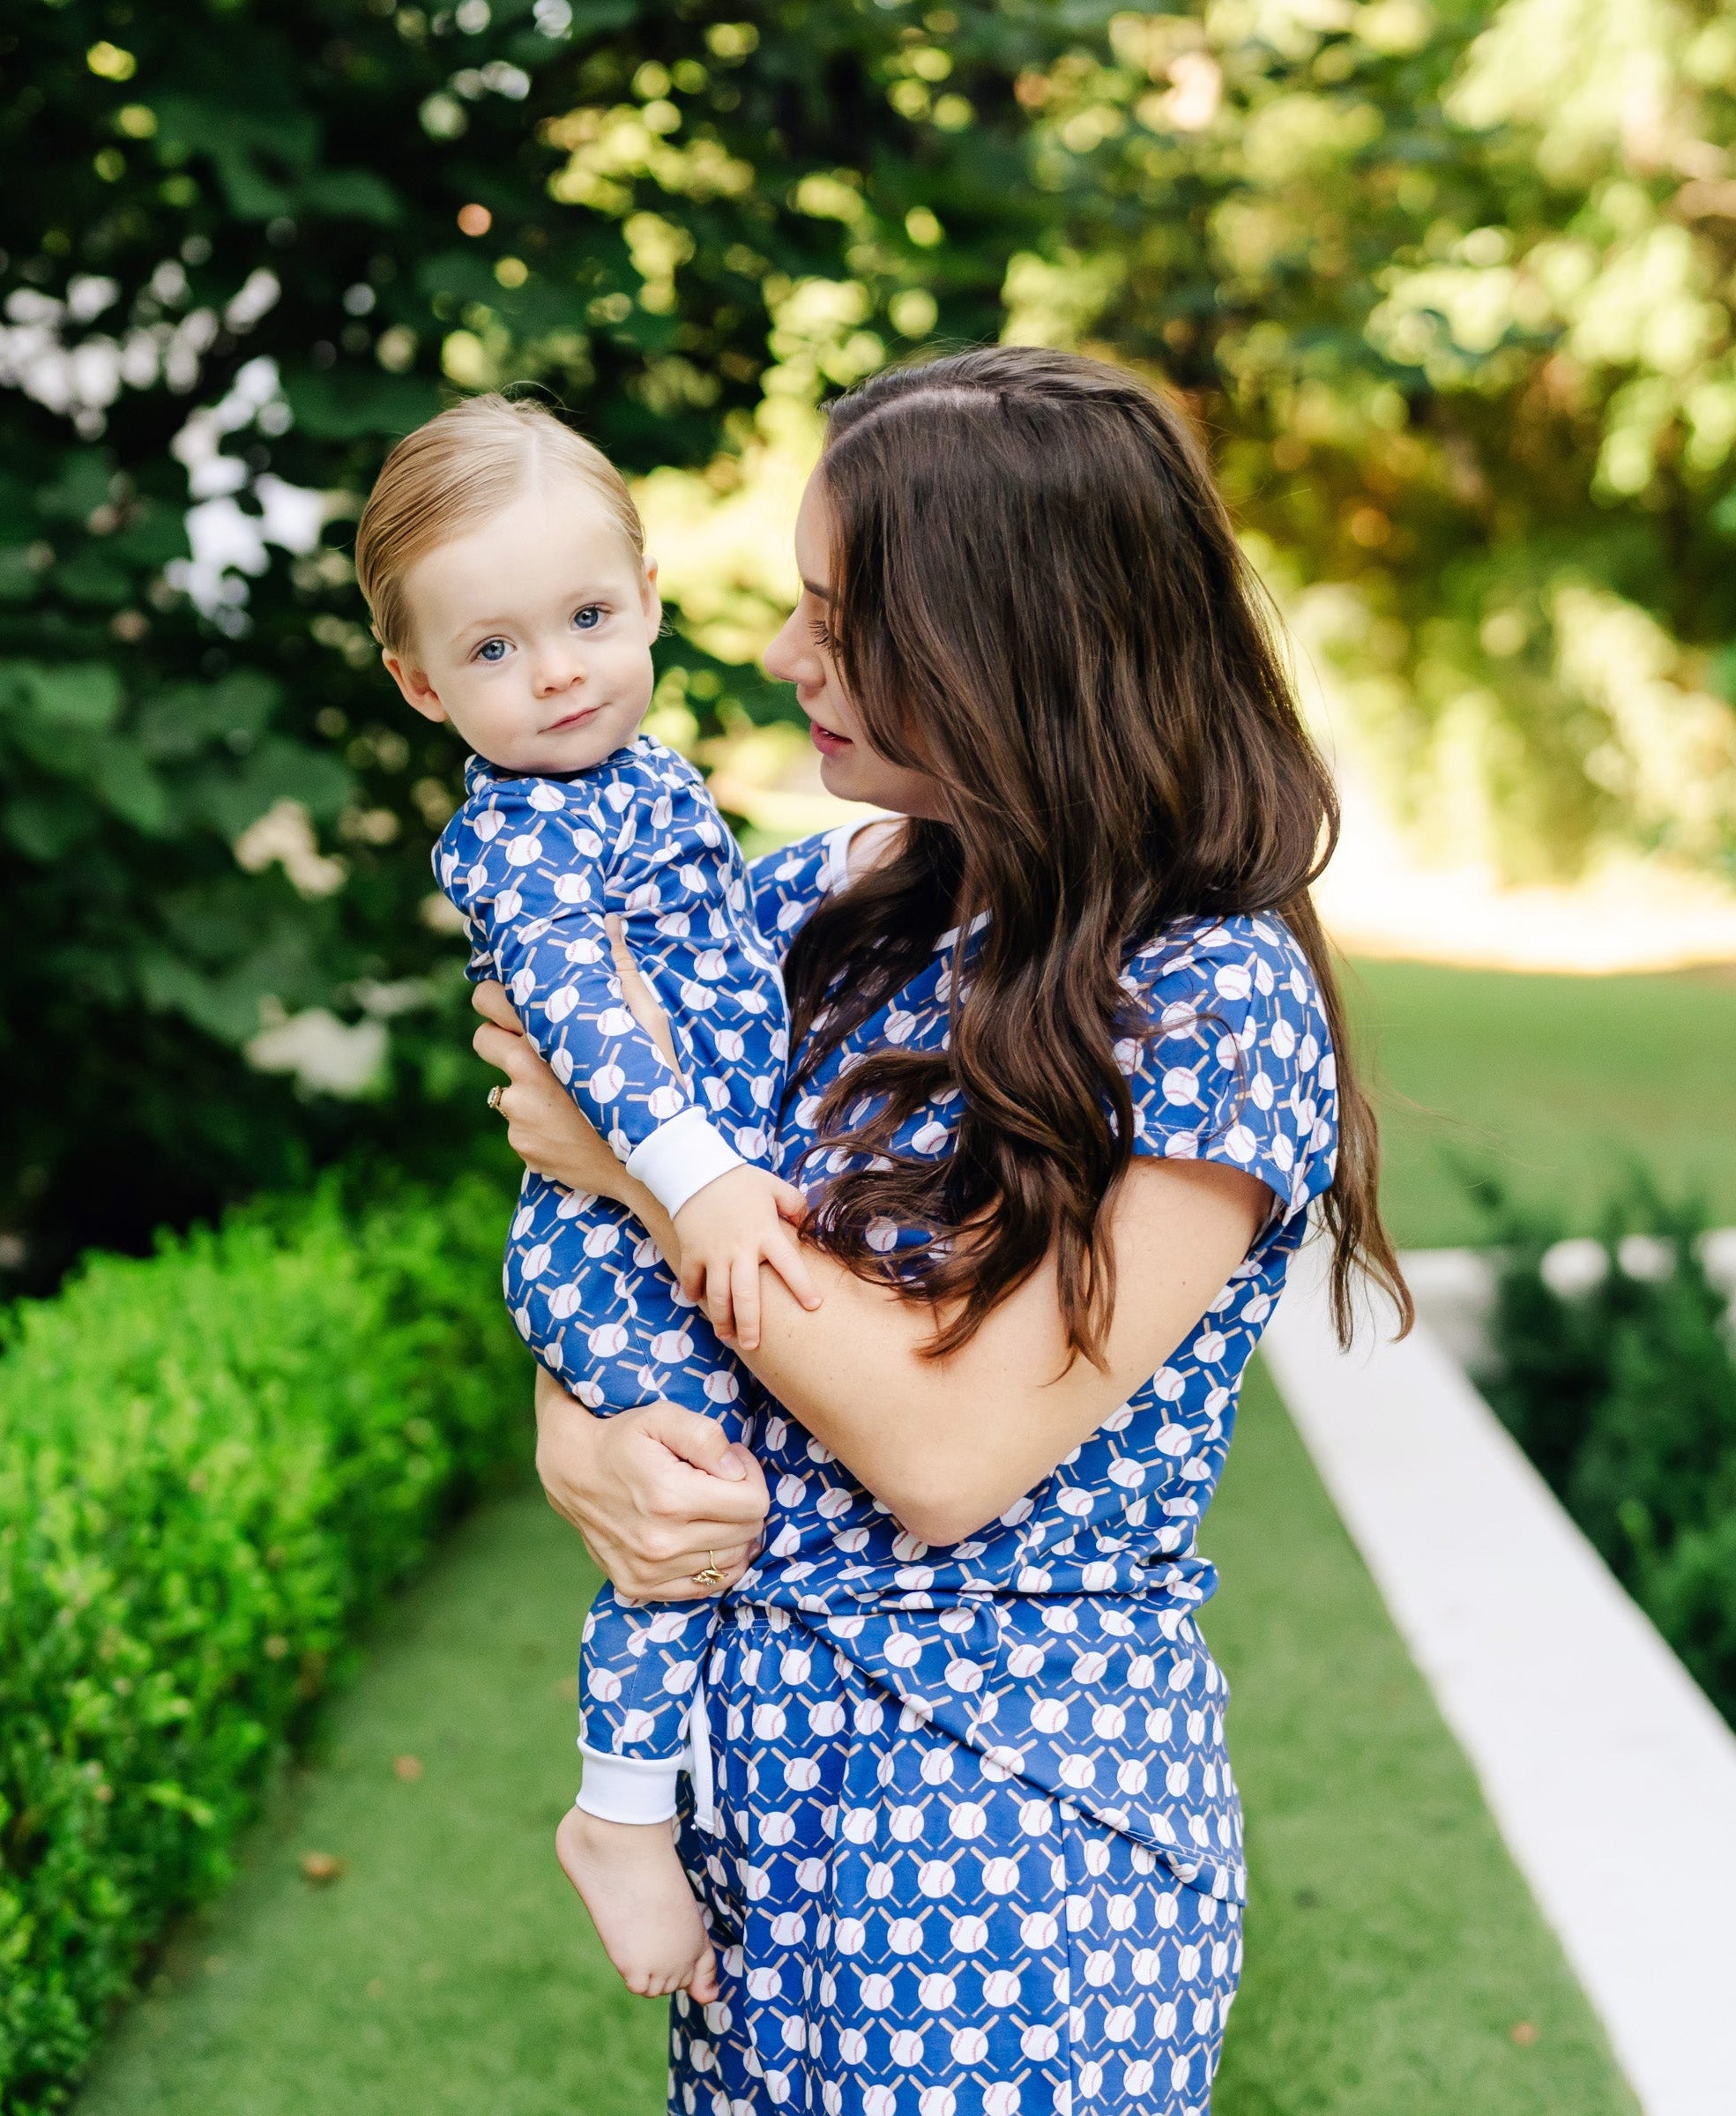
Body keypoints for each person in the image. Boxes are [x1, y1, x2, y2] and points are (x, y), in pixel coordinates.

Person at [475, 346, 1412, 2114]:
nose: (780, 654)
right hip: (757, 1830)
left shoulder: (1211, 1007)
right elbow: (579, 1219)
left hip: (1009, 1855)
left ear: (1006, 647)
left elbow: (950, 1442)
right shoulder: (825, 903)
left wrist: (636, 1165)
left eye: (838, 614)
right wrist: (578, 1443)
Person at [354, 393, 822, 2001]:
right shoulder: (518, 842)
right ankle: (621, 1814)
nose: (553, 671)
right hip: (613, 1234)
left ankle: (669, 1804)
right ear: (419, 683)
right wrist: (695, 1186)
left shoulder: (650, 778)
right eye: (490, 650)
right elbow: (589, 1029)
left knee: (717, 1491)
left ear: (647, 601)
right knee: (686, 1512)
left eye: (585, 618)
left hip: (666, 1208)